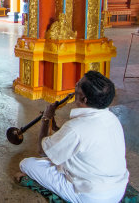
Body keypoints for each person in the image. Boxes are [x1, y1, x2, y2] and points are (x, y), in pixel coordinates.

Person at [16, 71, 129, 203]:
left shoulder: (75, 128)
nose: (75, 85)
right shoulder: (112, 118)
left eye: (79, 84)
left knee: (27, 164)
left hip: (92, 196)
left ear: (84, 99)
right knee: (59, 156)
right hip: (118, 187)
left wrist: (46, 118)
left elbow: (42, 151)